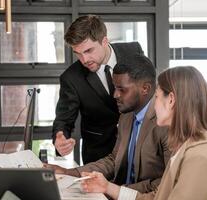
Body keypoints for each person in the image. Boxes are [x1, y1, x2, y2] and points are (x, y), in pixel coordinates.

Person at [80, 66, 207, 200]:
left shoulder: (200, 157)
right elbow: (157, 197)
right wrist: (108, 187)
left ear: (171, 100)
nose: (153, 105)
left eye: (156, 97)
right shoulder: (189, 148)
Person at [46, 54, 170, 193]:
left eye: (121, 89)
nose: (115, 95)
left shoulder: (166, 123)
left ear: (145, 88)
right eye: (114, 87)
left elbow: (166, 183)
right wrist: (69, 172)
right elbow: (114, 160)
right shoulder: (126, 116)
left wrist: (115, 190)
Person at [52, 15, 144, 164]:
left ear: (105, 41)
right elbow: (63, 119)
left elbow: (148, 92)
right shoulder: (71, 78)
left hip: (138, 149)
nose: (84, 60)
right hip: (98, 156)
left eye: (89, 50)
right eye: (78, 54)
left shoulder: (134, 51)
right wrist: (60, 137)